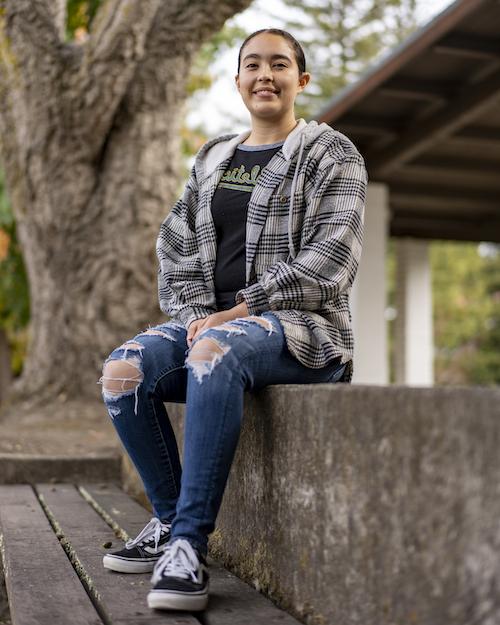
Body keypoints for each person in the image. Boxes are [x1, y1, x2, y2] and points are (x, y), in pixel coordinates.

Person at [99, 28, 367, 613]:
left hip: (301, 331)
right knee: (123, 370)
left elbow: (332, 261)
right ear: (237, 80)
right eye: (252, 65)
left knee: (213, 347)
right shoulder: (214, 156)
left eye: (279, 64)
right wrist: (199, 316)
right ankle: (170, 525)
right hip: (214, 327)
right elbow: (175, 246)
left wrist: (240, 310)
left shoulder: (331, 154)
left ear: (302, 79)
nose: (264, 75)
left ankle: (191, 546)